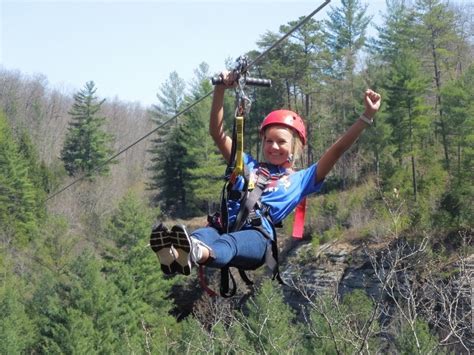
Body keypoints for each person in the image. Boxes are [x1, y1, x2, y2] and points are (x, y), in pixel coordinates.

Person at [150, 70, 382, 276]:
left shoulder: (302, 180)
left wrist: (366, 117)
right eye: (269, 141)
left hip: (257, 239)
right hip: (223, 226)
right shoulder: (249, 165)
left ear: (295, 147)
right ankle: (173, 256)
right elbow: (217, 133)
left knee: (227, 242)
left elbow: (337, 150)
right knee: (203, 234)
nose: (273, 147)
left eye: (281, 142)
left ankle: (196, 252)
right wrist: (220, 89)